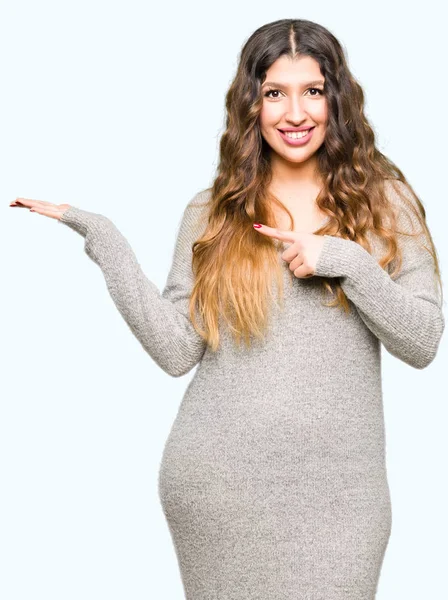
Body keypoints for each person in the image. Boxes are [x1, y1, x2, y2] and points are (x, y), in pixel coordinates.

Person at [10, 18, 445, 600]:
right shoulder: (213, 211)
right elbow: (176, 350)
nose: (295, 112)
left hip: (342, 496)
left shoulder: (385, 202)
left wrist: (348, 261)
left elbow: (422, 342)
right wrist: (105, 239)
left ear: (336, 99)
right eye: (274, 93)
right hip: (219, 488)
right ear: (252, 104)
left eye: (312, 91)